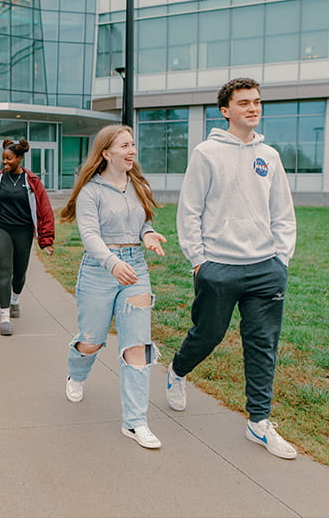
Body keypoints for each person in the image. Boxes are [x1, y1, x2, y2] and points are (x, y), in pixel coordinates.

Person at [168, 77, 298, 460]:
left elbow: (283, 213)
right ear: (226, 110)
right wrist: (199, 260)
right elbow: (189, 211)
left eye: (257, 102)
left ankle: (259, 422)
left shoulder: (269, 156)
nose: (253, 108)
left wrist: (281, 260)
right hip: (219, 267)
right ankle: (177, 371)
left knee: (262, 345)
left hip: (265, 269)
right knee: (208, 334)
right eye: (244, 103)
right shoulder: (207, 153)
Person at [60, 124, 168, 449]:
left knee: (137, 345)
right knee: (92, 340)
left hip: (134, 268)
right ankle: (76, 374)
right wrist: (112, 263)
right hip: (99, 269)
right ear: (106, 153)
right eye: (124, 145)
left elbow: (144, 221)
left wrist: (147, 235)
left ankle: (135, 422)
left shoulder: (139, 185)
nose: (131, 150)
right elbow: (90, 235)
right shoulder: (91, 191)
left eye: (133, 144)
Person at [0, 139, 54, 336]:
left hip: (23, 230)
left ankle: (15, 300)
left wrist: (46, 240)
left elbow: (45, 211)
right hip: (0, 229)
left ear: (19, 158)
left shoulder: (32, 181)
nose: (5, 162)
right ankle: (4, 317)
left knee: (19, 274)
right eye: (3, 159)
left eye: (9, 159)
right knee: (4, 272)